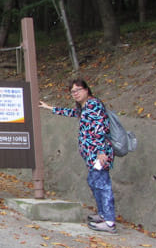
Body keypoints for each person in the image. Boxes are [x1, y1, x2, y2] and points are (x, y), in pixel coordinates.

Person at [39, 79, 117, 233]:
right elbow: (73, 113)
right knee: (95, 183)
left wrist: (101, 151)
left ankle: (109, 221)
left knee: (102, 184)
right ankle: (103, 215)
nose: (75, 94)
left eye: (78, 90)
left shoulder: (93, 104)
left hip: (99, 154)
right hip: (91, 154)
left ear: (86, 90)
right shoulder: (84, 107)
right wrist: (50, 108)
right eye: (73, 91)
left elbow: (100, 127)